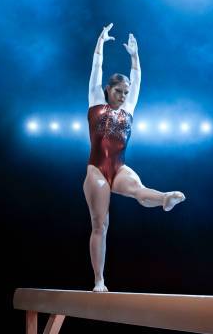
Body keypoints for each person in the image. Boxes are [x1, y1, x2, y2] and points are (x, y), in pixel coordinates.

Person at [84, 23, 186, 292]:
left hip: (119, 167)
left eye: (127, 93)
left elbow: (138, 79)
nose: (124, 96)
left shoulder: (129, 109)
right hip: (96, 170)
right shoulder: (96, 100)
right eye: (119, 91)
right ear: (108, 89)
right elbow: (96, 70)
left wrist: (134, 56)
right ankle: (99, 280)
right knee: (100, 224)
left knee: (140, 191)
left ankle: (165, 199)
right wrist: (100, 42)